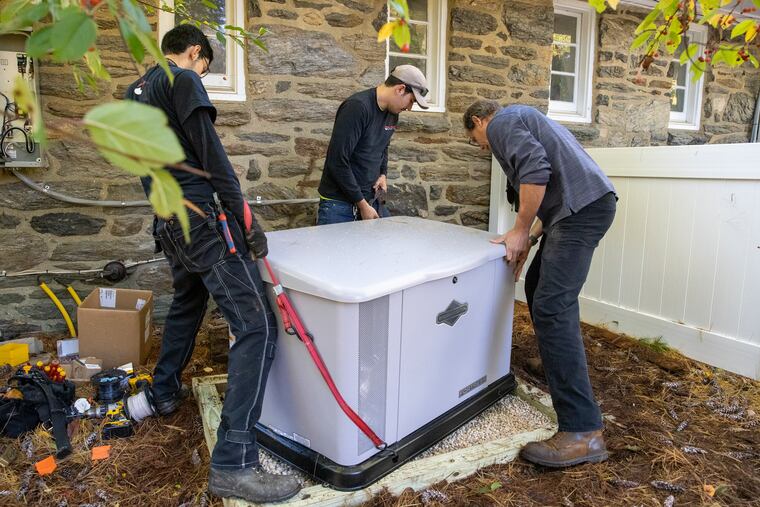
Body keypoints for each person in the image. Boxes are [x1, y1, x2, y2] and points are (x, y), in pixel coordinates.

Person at [124, 25, 300, 503]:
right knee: (257, 325)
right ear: (197, 53)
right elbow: (213, 156)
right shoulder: (182, 79)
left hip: (168, 221)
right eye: (205, 67)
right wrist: (245, 219)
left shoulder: (135, 93)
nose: (202, 75)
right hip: (200, 221)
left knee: (188, 300)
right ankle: (233, 463)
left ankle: (162, 393)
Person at [463, 100, 617, 468]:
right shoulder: (525, 119)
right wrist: (529, 241)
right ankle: (554, 360)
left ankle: (582, 432)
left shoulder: (502, 123)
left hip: (581, 213)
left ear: (478, 120)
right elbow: (553, 192)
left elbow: (536, 172)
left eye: (475, 140)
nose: (482, 148)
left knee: (552, 306)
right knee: (536, 285)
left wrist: (517, 230)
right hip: (578, 210)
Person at [316, 65, 429, 224]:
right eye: (411, 101)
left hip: (369, 201)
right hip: (339, 205)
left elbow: (383, 146)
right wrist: (361, 204)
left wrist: (383, 174)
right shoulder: (357, 107)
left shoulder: (393, 114)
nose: (409, 108)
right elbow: (337, 161)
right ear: (400, 89)